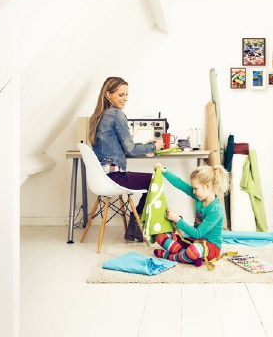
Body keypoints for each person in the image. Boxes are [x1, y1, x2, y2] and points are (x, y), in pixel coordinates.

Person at [89, 76, 162, 241]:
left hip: (102, 177)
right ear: (108, 95)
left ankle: (136, 225)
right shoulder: (115, 114)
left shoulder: (98, 116)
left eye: (127, 94)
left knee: (150, 179)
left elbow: (123, 149)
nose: (125, 99)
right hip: (114, 177)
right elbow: (130, 149)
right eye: (121, 95)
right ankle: (136, 224)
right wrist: (153, 147)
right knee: (155, 179)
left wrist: (144, 146)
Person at [152, 163, 229, 266]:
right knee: (161, 236)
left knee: (194, 250)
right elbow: (179, 183)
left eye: (195, 188)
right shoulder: (199, 197)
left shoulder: (216, 210)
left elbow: (197, 233)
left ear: (207, 186)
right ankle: (186, 256)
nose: (193, 191)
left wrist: (177, 219)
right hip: (194, 241)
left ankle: (170, 256)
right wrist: (164, 171)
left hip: (211, 247)